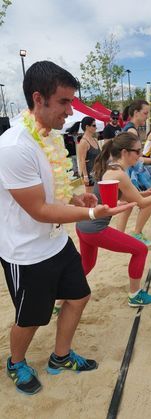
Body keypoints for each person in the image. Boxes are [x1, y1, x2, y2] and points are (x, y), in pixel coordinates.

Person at [0, 60, 135, 395]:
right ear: (38, 98)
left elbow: (51, 192)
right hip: (26, 251)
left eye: (72, 101)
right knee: (31, 317)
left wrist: (76, 199)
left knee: (79, 296)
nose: (70, 110)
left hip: (57, 241)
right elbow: (39, 209)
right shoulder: (14, 146)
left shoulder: (48, 136)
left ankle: (60, 357)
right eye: (63, 102)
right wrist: (92, 216)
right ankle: (16, 362)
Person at [76, 132, 151, 308]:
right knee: (140, 250)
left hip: (83, 225)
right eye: (137, 151)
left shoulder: (111, 166)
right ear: (125, 152)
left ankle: (60, 300)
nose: (140, 155)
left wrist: (141, 194)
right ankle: (135, 295)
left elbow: (120, 197)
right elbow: (142, 204)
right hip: (95, 229)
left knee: (87, 265)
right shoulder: (120, 173)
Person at [117, 100, 151, 246]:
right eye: (145, 113)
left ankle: (119, 236)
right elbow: (134, 158)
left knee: (127, 205)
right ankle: (136, 232)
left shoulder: (131, 128)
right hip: (132, 173)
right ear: (136, 113)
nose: (147, 117)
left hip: (128, 171)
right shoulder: (132, 131)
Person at [77, 117, 101, 193]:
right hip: (89, 173)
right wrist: (85, 176)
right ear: (87, 127)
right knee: (90, 197)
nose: (96, 127)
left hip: (97, 172)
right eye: (94, 125)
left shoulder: (94, 140)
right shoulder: (84, 142)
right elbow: (81, 160)